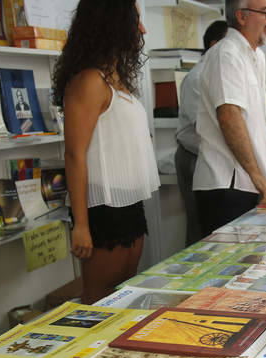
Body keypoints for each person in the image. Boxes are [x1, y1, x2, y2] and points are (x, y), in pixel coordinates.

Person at [52, 0, 160, 304]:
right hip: (103, 209)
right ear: (113, 21)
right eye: (135, 19)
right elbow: (74, 154)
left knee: (122, 297)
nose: (142, 29)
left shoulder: (117, 81)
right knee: (98, 301)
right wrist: (81, 226)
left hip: (129, 204)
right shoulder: (88, 81)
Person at [192, 0, 266, 238]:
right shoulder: (226, 55)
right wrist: (258, 176)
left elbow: (257, 121)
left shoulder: (256, 56)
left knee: (254, 265)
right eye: (265, 12)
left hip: (248, 181)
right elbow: (230, 118)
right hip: (227, 184)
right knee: (231, 268)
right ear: (242, 16)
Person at [175, 20, 228, 246]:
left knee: (218, 226)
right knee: (201, 228)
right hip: (195, 158)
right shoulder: (198, 78)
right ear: (214, 45)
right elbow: (211, 128)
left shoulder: (221, 74)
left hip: (214, 156)